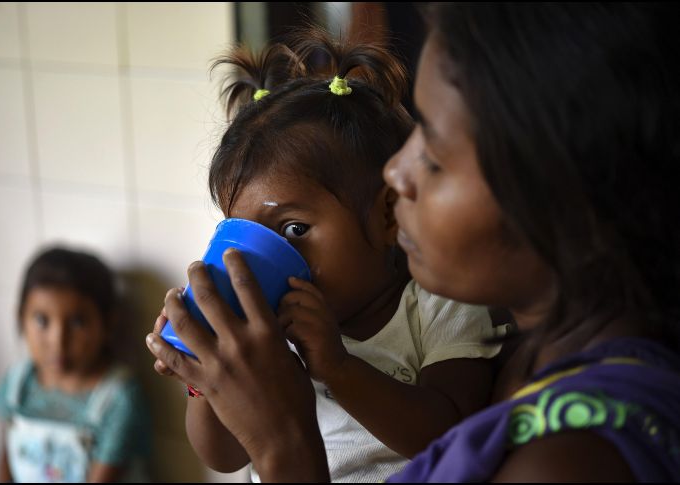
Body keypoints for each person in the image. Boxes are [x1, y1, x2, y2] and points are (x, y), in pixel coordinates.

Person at [145, 2, 680, 482]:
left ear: (556, 187)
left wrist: (285, 446)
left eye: (436, 154)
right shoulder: (540, 362)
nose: (396, 174)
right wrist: (207, 372)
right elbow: (221, 453)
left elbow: (440, 429)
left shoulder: (573, 458)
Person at [156, 30, 508, 482]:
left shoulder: (439, 303)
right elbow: (224, 456)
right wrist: (203, 372)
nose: (268, 260)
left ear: (387, 215)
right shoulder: (269, 331)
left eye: (295, 230)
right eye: (244, 237)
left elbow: (451, 436)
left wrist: (338, 368)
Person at [0, 247, 151, 482]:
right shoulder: (17, 385)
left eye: (78, 322)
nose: (58, 341)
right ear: (20, 318)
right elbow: (5, 460)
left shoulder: (117, 400)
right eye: (41, 320)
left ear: (108, 324)